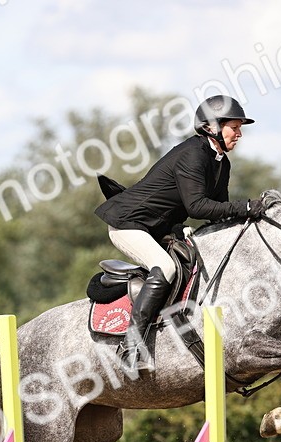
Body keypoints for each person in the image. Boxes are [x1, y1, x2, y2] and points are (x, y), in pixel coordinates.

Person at [95, 94, 267, 371]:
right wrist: (246, 206)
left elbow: (219, 209)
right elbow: (198, 207)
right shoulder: (193, 154)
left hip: (159, 228)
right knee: (165, 267)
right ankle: (130, 345)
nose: (239, 134)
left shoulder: (221, 162)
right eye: (234, 127)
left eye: (239, 128)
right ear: (212, 127)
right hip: (129, 223)